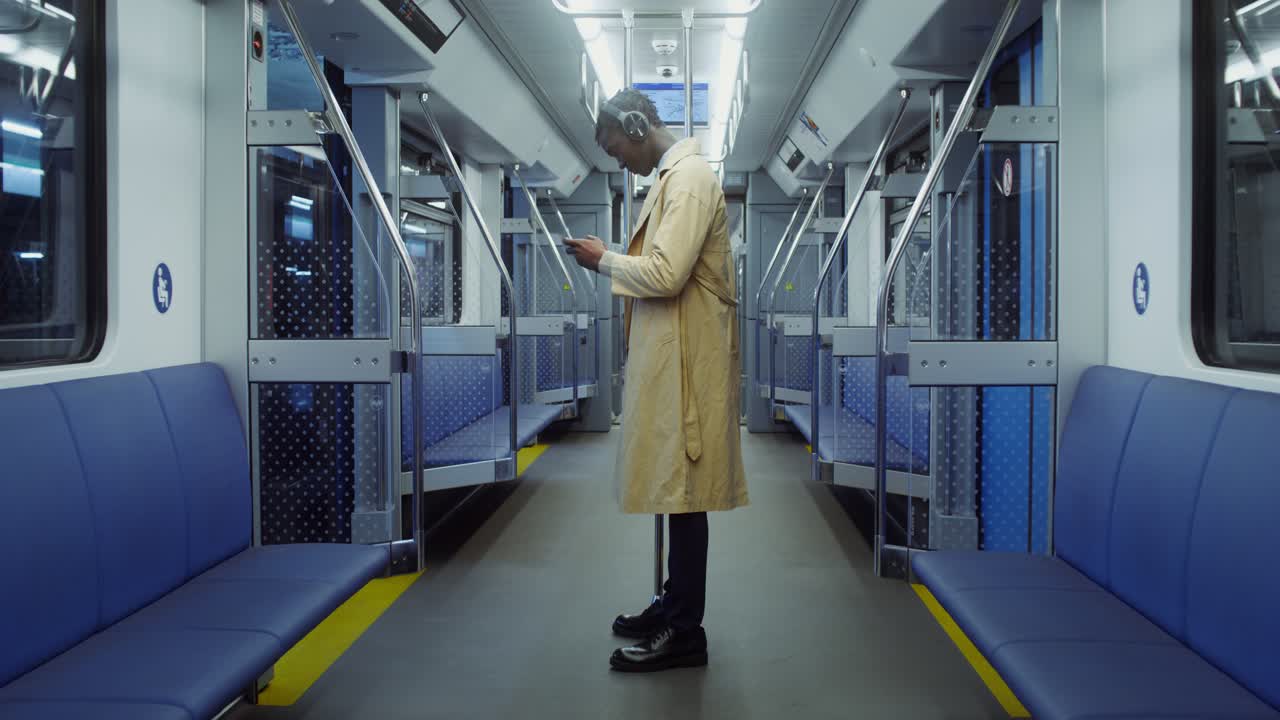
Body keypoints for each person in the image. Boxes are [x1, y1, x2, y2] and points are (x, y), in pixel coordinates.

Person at [564, 89, 748, 673]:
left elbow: (667, 274)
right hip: (677, 362)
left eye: (618, 150)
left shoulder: (689, 179)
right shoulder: (672, 180)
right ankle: (671, 604)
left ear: (637, 126)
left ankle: (686, 630)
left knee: (686, 497)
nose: (621, 163)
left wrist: (604, 260)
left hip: (690, 366)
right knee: (676, 491)